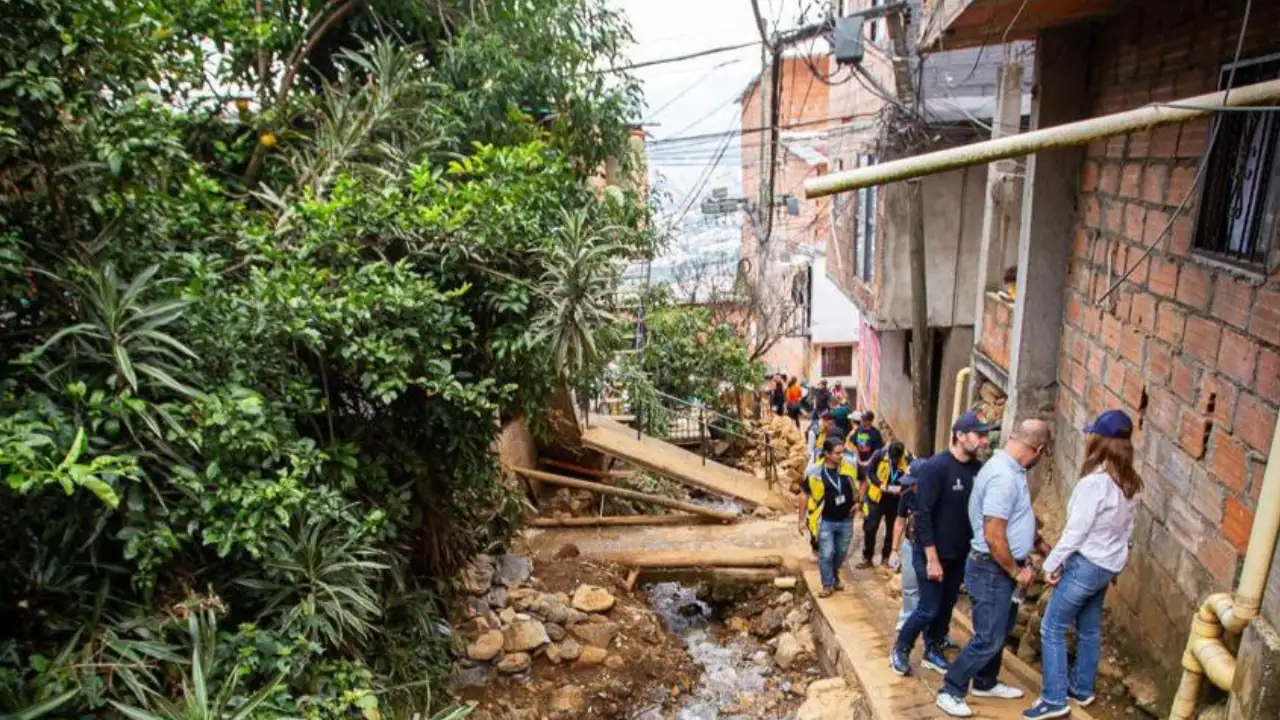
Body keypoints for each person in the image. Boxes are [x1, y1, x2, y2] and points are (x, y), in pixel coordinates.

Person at [1023, 410, 1142, 720]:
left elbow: (1075, 533)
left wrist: (1052, 564)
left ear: (1099, 441)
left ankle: (1053, 698)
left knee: (1052, 627)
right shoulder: (1130, 482)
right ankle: (1082, 688)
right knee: (1089, 628)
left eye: (1092, 434)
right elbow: (1127, 533)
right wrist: (1116, 567)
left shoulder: (1095, 484)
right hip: (1106, 567)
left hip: (1086, 565)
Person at [936, 419, 1053, 717]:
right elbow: (993, 534)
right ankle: (951, 689)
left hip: (999, 568)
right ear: (1036, 449)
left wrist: (1036, 542)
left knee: (1000, 630)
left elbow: (1015, 517)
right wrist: (1016, 571)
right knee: (988, 637)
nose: (1041, 459)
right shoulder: (1003, 476)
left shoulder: (1012, 469)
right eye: (1043, 454)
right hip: (992, 569)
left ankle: (985, 682)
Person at [890, 411, 994, 680]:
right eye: (979, 435)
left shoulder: (976, 469)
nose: (984, 440)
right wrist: (932, 558)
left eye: (986, 435)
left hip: (958, 553)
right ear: (960, 436)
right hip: (931, 553)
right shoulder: (936, 468)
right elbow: (922, 516)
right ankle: (901, 648)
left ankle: (933, 648)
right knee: (928, 607)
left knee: (946, 605)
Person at [798, 437, 858, 597]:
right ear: (827, 454)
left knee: (841, 552)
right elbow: (804, 495)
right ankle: (827, 584)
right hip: (825, 520)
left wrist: (859, 501)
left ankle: (834, 575)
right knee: (826, 553)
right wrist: (801, 520)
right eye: (837, 453)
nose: (841, 456)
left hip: (846, 519)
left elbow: (864, 480)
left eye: (842, 452)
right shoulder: (814, 472)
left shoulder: (850, 466)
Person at [857, 441, 911, 568]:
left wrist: (901, 489)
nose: (895, 461)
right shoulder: (879, 455)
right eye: (892, 458)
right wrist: (880, 484)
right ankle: (867, 557)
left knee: (891, 529)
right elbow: (870, 472)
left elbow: (912, 478)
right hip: (877, 497)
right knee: (870, 527)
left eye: (897, 459)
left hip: (895, 500)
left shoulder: (909, 460)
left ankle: (886, 557)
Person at [850, 410, 885, 499]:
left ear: (870, 421)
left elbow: (877, 451)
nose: (862, 421)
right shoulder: (858, 430)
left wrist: (868, 462)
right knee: (858, 482)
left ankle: (864, 500)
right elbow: (854, 445)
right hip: (858, 461)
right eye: (862, 419)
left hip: (870, 463)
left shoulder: (875, 433)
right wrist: (858, 460)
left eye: (864, 419)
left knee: (867, 483)